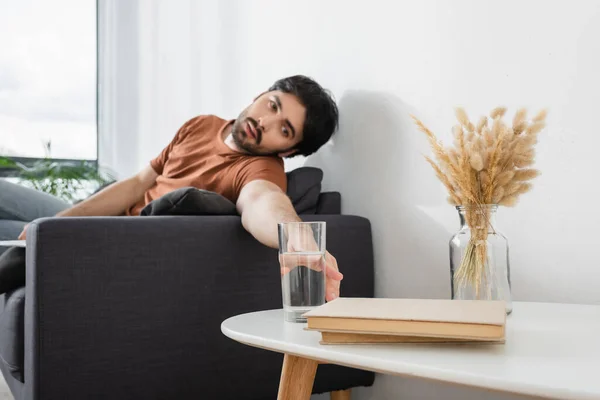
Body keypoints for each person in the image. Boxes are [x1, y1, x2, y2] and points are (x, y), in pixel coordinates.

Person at [3, 75, 343, 301]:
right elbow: (138, 184)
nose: (265, 122)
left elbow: (263, 200)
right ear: (260, 96)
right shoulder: (202, 124)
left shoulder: (261, 170)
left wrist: (299, 240)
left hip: (109, 236)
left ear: (288, 151)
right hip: (104, 213)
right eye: (272, 105)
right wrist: (61, 218)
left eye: (284, 130)